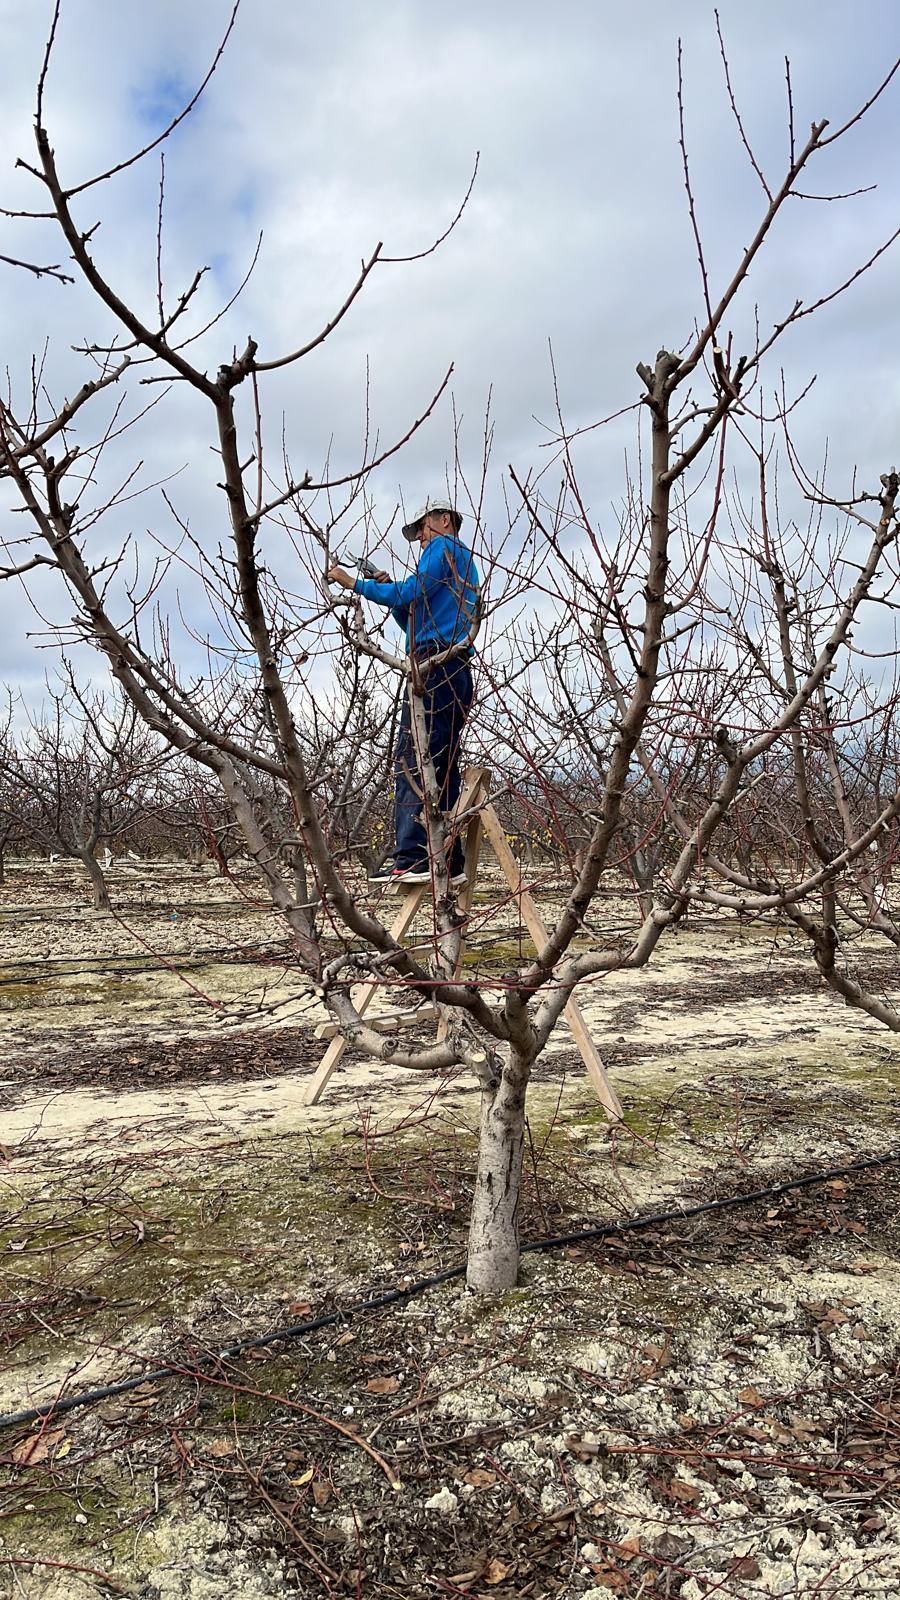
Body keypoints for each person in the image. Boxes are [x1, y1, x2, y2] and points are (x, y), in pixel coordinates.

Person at [326, 497, 479, 886]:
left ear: (445, 520)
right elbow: (410, 617)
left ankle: (412, 857)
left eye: (424, 528)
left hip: (435, 667)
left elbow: (407, 594)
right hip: (456, 669)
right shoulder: (460, 566)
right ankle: (449, 858)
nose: (422, 539)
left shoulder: (445, 548)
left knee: (413, 760)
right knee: (443, 765)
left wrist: (353, 583)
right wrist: (386, 586)